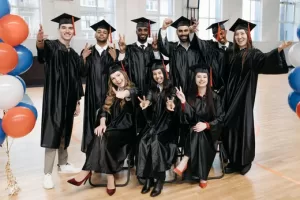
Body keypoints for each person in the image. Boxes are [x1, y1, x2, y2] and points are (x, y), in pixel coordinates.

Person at [223, 18, 292, 175]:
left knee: (243, 127)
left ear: (248, 36)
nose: (239, 37)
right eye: (237, 34)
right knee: (229, 128)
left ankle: (245, 161)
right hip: (230, 96)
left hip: (244, 96)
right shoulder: (231, 54)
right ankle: (234, 161)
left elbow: (265, 59)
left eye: (242, 33)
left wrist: (279, 49)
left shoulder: (253, 54)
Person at [36, 13, 91, 189]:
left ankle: (63, 164)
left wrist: (77, 102)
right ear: (59, 30)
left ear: (73, 31)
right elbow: (42, 54)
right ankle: (46, 173)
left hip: (68, 101)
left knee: (65, 131)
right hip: (54, 100)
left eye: (70, 28)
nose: (67, 31)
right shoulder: (52, 46)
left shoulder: (73, 54)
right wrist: (39, 42)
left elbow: (77, 78)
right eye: (64, 28)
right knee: (53, 132)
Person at [67, 62, 137, 196]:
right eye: (113, 78)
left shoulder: (133, 89)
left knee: (102, 137)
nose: (117, 79)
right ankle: (110, 176)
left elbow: (132, 93)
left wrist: (124, 94)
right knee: (100, 133)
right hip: (112, 129)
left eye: (118, 75)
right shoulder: (111, 93)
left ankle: (86, 171)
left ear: (123, 74)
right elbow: (103, 110)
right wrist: (103, 123)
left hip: (127, 131)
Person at [173, 63, 224, 189]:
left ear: (208, 79)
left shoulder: (215, 97)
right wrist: (184, 102)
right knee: (196, 129)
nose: (202, 79)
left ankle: (185, 160)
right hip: (193, 133)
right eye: (199, 77)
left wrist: (206, 125)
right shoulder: (190, 97)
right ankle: (203, 177)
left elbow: (221, 118)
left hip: (210, 133)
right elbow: (190, 118)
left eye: (204, 77)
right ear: (195, 79)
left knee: (198, 131)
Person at [136, 59, 177, 197]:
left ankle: (159, 180)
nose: (157, 76)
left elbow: (172, 101)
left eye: (159, 73)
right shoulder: (152, 89)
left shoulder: (172, 88)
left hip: (167, 127)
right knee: (143, 141)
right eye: (154, 74)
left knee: (156, 142)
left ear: (165, 73)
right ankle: (148, 178)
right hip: (153, 125)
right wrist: (145, 104)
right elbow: (148, 99)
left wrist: (171, 105)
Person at [80, 20, 119, 153]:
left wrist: (115, 60)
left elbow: (118, 74)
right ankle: (92, 152)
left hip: (110, 93)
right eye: (99, 32)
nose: (102, 34)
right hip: (92, 93)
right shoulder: (87, 51)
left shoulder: (114, 52)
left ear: (108, 35)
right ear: (95, 34)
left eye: (104, 32)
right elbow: (83, 73)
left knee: (110, 119)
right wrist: (83, 59)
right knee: (92, 121)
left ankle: (109, 153)